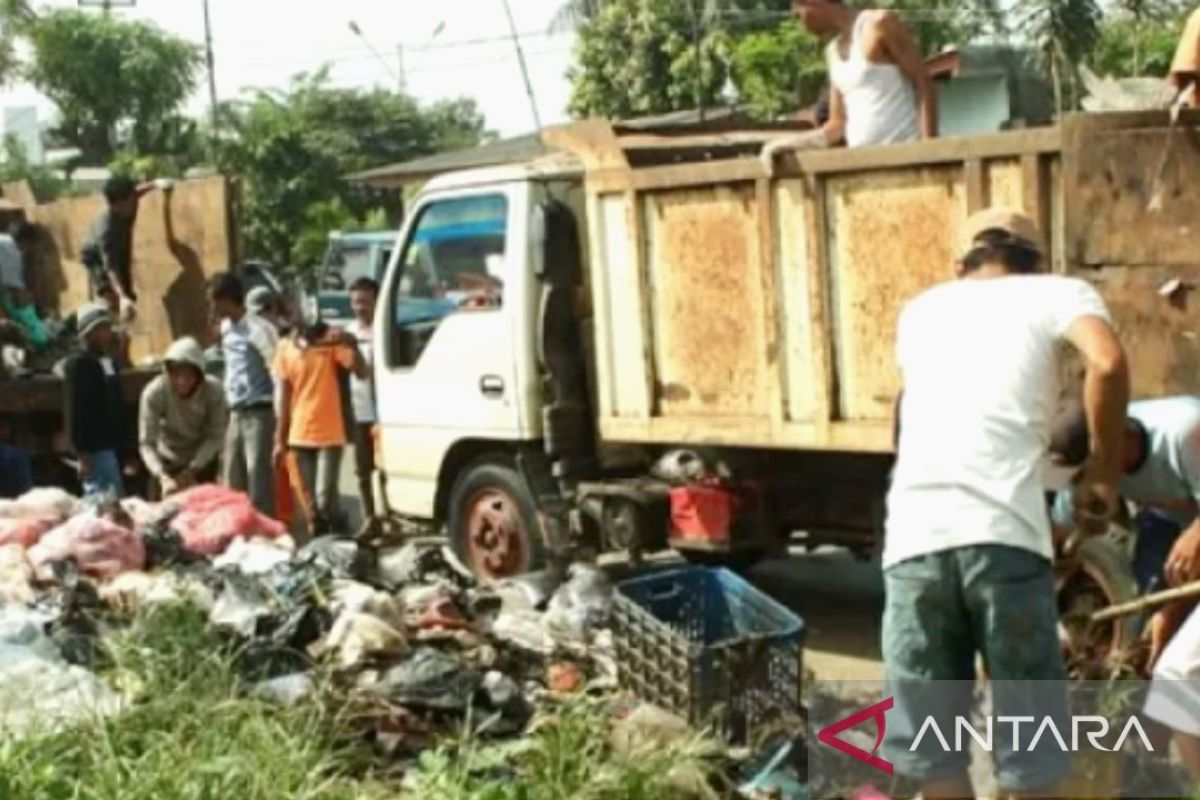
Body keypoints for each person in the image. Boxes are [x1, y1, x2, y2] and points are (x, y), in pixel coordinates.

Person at [882, 207, 1129, 798]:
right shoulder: (1057, 292)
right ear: (1034, 260)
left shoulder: (920, 309)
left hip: (914, 542)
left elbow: (904, 414)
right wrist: (1101, 471)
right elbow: (1108, 362)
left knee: (934, 754)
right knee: (1029, 757)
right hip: (1003, 538)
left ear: (960, 264)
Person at [1049, 398, 1200, 782]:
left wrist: (1172, 609)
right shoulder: (1095, 465)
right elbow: (1060, 537)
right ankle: (1153, 771)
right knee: (1144, 657)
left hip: (1192, 530)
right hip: (1169, 527)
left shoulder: (1184, 433)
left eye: (1089, 469)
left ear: (1116, 441)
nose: (1084, 481)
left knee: (1174, 669)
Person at [761, 0, 937, 172]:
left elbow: (923, 83)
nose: (800, 23)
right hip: (863, 165)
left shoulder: (879, 23)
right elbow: (836, 126)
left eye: (798, 15)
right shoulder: (832, 53)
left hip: (903, 159)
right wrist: (785, 144)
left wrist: (929, 153)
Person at [273, 317, 367, 537]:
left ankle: (343, 529)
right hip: (299, 435)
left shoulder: (329, 344)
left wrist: (350, 342)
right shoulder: (285, 349)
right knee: (312, 507)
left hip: (330, 434)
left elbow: (361, 372)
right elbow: (284, 399)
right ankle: (325, 548)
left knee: (325, 499)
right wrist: (279, 440)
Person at [210, 272, 278, 515]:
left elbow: (277, 373)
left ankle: (265, 533)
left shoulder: (260, 329)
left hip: (259, 412)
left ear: (227, 300)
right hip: (236, 412)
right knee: (232, 476)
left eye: (215, 301)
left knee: (258, 478)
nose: (213, 308)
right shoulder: (227, 329)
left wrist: (280, 418)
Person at [138, 336, 228, 498]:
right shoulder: (154, 392)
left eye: (189, 375)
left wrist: (193, 468)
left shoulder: (214, 391)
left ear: (199, 375)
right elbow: (147, 443)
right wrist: (161, 476)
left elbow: (216, 435)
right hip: (166, 460)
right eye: (176, 374)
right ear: (168, 372)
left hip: (201, 459)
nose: (182, 381)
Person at [63, 303, 128, 498]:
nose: (105, 333)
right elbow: (73, 409)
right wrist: (81, 452)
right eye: (99, 329)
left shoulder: (108, 361)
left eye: (107, 327)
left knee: (114, 496)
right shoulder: (78, 364)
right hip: (93, 448)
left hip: (111, 443)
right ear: (87, 334)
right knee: (101, 499)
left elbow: (116, 401)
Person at [81, 176, 166, 305]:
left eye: (133, 198)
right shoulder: (106, 229)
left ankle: (123, 305)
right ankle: (108, 313)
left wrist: (155, 184)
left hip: (120, 246)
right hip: (95, 255)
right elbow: (110, 268)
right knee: (112, 295)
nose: (134, 204)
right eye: (130, 201)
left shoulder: (128, 201)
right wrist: (121, 296)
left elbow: (137, 192)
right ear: (117, 204)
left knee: (128, 294)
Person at [347, 278, 380, 531]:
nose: (360, 307)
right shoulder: (349, 334)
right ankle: (370, 517)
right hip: (359, 411)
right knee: (362, 470)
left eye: (365, 302)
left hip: (384, 412)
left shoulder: (384, 331)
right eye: (356, 302)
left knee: (385, 467)